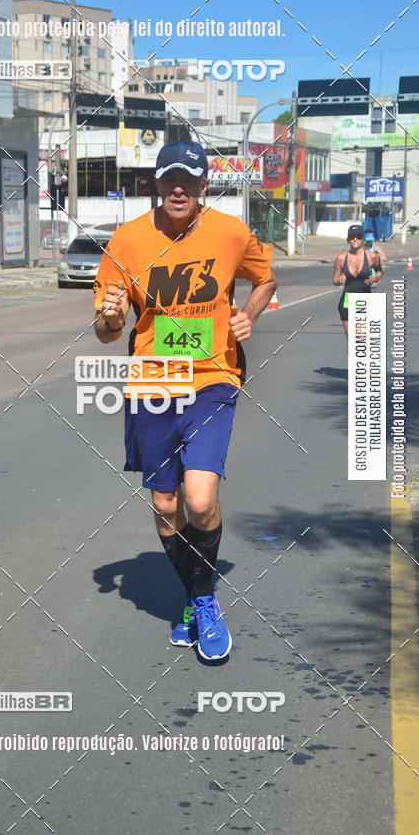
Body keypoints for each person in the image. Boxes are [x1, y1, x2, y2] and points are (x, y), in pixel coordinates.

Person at [93, 140, 276, 661]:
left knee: (199, 499)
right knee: (167, 506)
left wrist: (250, 316)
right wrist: (109, 315)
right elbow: (109, 332)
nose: (179, 188)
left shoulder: (230, 232)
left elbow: (265, 279)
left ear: (203, 187)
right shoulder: (126, 243)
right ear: (156, 182)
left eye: (189, 180)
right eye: (169, 178)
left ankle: (203, 602)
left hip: (213, 379)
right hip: (152, 385)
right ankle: (197, 597)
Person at [333, 224, 383, 337]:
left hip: (364, 299)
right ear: (348, 239)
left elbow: (380, 271)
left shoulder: (372, 256)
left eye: (358, 236)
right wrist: (339, 280)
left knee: (361, 340)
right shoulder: (341, 258)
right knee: (351, 340)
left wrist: (375, 277)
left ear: (363, 239)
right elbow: (334, 280)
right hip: (347, 300)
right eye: (352, 236)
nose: (355, 239)